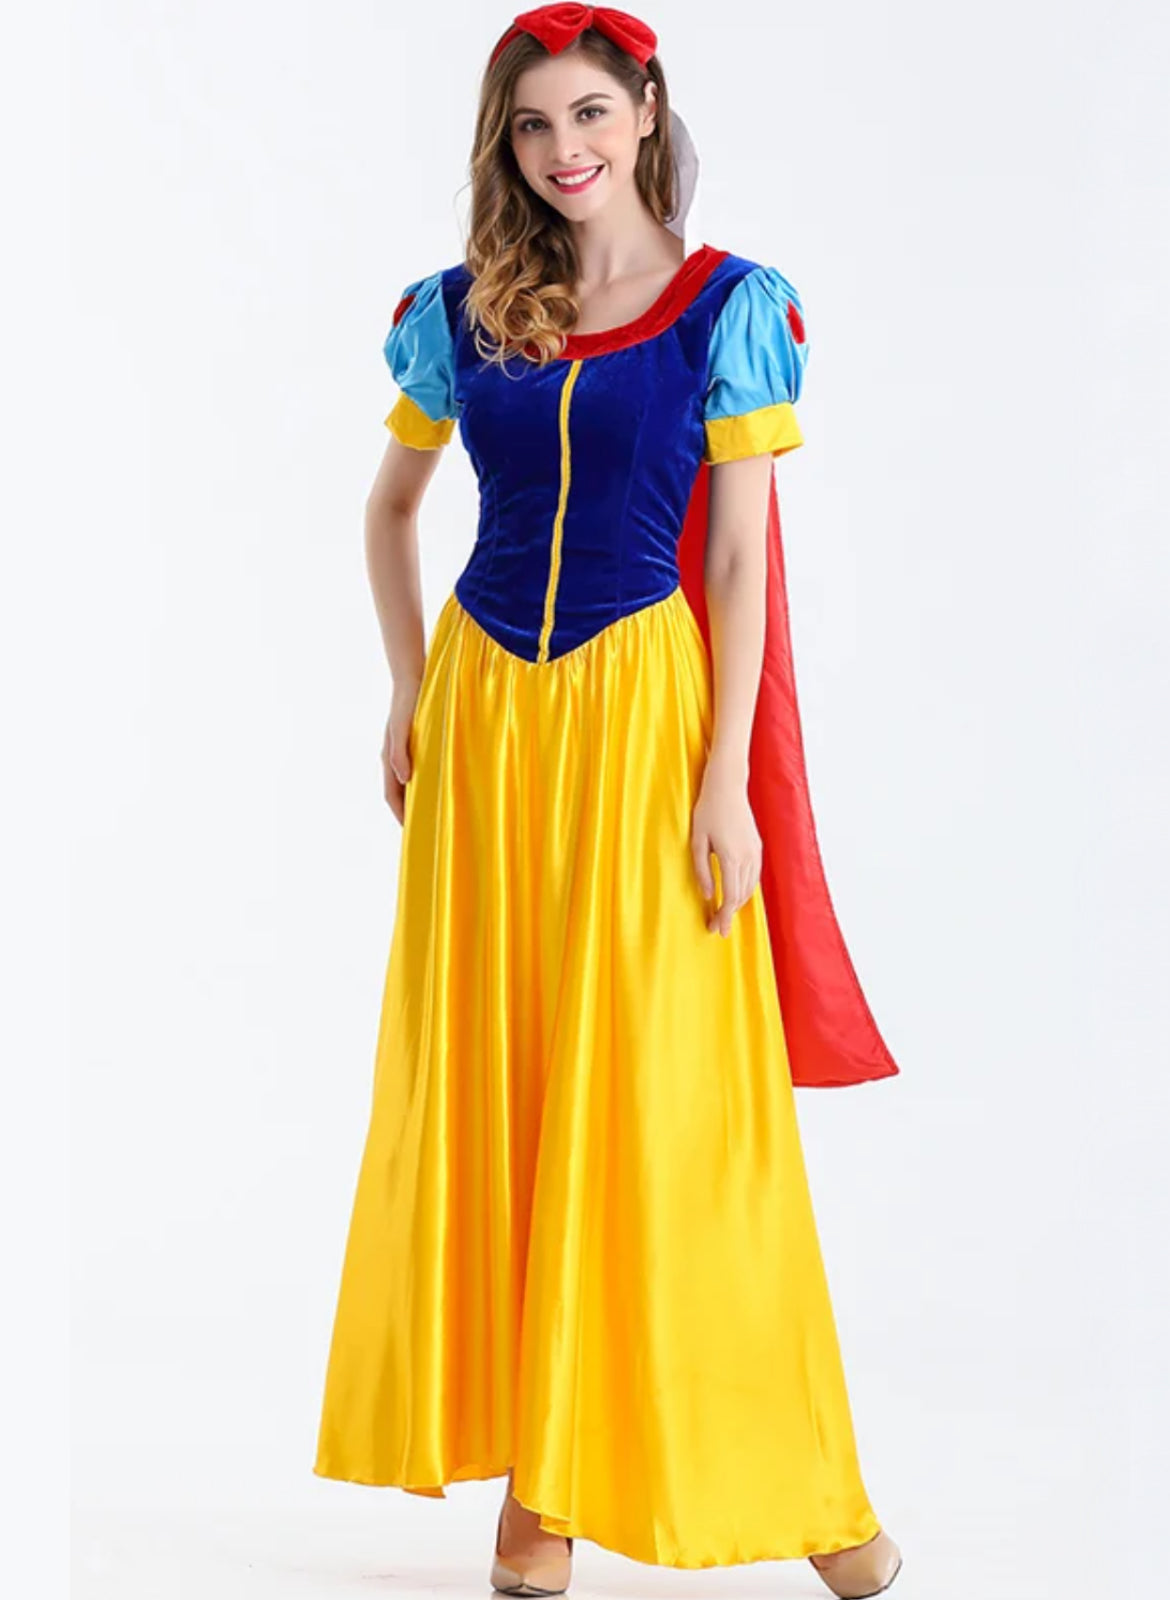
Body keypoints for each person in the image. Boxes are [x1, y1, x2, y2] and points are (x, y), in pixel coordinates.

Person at [313, 5, 903, 1596]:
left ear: (645, 112)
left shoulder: (729, 307)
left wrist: (727, 783)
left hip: (645, 712)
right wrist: (408, 686)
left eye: (587, 113)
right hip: (489, 715)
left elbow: (738, 556)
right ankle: (543, 1492)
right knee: (508, 1076)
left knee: (669, 1098)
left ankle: (809, 1494)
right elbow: (390, 509)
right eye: (531, 125)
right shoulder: (462, 311)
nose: (561, 148)